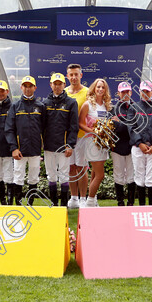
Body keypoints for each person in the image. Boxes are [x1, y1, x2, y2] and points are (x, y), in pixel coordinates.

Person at [6, 76, 46, 205]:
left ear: (35, 88)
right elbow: (9, 129)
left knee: (34, 176)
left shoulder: (40, 106)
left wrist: (43, 145)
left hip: (35, 149)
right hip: (20, 150)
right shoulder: (15, 106)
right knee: (18, 176)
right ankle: (18, 203)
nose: (28, 89)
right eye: (25, 86)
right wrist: (14, 148)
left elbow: (45, 128)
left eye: (30, 86)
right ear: (21, 87)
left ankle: (30, 204)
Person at [42, 73, 78, 206]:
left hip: (64, 146)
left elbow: (73, 126)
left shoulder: (71, 103)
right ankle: (53, 203)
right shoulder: (44, 103)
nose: (57, 86)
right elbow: (42, 126)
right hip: (49, 146)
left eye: (60, 84)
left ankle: (63, 205)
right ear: (51, 85)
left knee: (63, 175)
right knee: (51, 175)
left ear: (64, 85)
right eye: (55, 83)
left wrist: (70, 145)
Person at [79, 78, 112, 207]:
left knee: (94, 172)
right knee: (100, 175)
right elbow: (80, 123)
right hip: (92, 142)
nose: (100, 89)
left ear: (105, 90)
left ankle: (93, 199)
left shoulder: (105, 105)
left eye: (102, 87)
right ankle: (90, 202)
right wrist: (92, 131)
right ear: (94, 88)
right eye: (98, 87)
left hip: (103, 142)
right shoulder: (88, 104)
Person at [65, 63, 90, 208]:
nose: (74, 77)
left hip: (82, 137)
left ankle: (83, 198)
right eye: (71, 74)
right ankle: (73, 198)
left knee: (82, 167)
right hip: (68, 138)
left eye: (76, 74)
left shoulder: (87, 92)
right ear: (67, 76)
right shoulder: (65, 92)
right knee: (71, 167)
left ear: (81, 75)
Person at [112, 82, 136, 206]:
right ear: (118, 94)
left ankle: (131, 202)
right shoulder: (113, 108)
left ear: (131, 92)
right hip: (117, 147)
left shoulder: (137, 107)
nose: (125, 94)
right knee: (119, 175)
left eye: (127, 92)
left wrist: (120, 122)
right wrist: (127, 124)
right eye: (123, 92)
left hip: (132, 146)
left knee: (131, 176)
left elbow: (135, 128)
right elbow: (115, 129)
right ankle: (120, 202)